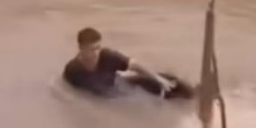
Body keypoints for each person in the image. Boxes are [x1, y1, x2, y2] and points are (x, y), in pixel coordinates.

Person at [63, 27, 195, 99]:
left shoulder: (107, 56)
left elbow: (135, 65)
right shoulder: (73, 70)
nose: (96, 53)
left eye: (98, 48)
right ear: (81, 48)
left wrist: (158, 79)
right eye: (91, 49)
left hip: (121, 86)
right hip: (108, 100)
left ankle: (197, 97)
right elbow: (62, 89)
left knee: (168, 82)